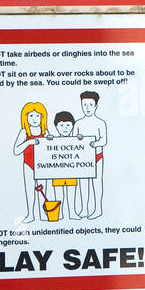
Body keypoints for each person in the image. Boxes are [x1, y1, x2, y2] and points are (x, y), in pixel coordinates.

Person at [13, 101, 50, 222]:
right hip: (28, 164)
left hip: (43, 165)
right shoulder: (24, 132)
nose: (34, 119)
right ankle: (31, 214)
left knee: (44, 190)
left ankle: (44, 214)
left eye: (37, 116)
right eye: (31, 116)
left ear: (42, 117)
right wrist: (29, 142)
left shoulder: (45, 131)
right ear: (26, 117)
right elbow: (16, 150)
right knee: (30, 190)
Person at [74, 91, 107, 219]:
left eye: (90, 105)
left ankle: (97, 209)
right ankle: (84, 209)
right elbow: (73, 140)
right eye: (85, 105)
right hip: (83, 159)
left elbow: (104, 140)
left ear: (96, 106)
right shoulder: (78, 123)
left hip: (97, 158)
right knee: (83, 184)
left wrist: (95, 143)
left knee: (97, 184)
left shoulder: (100, 123)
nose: (87, 108)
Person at [50, 111, 79, 219]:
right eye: (61, 125)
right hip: (57, 172)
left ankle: (72, 213)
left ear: (72, 126)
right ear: (56, 126)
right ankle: (60, 214)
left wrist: (80, 140)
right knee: (59, 194)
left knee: (72, 193)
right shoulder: (53, 140)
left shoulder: (76, 140)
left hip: (72, 171)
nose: (65, 128)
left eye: (68, 125)